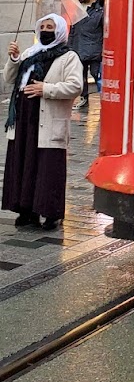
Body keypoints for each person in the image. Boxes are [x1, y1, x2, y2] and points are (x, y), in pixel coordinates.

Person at [1, 14, 83, 230]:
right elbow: (10, 79)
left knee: (47, 166)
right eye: (43, 26)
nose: (46, 30)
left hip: (47, 116)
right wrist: (14, 59)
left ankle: (50, 213)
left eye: (51, 27)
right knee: (24, 162)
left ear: (60, 32)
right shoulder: (30, 53)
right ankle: (26, 210)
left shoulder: (68, 57)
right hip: (24, 117)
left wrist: (45, 89)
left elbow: (76, 86)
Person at [70, 0, 105, 109]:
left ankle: (103, 98)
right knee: (81, 75)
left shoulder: (100, 11)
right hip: (79, 47)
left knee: (96, 74)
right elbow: (73, 30)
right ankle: (84, 99)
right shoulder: (79, 10)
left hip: (94, 49)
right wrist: (70, 46)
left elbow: (104, 31)